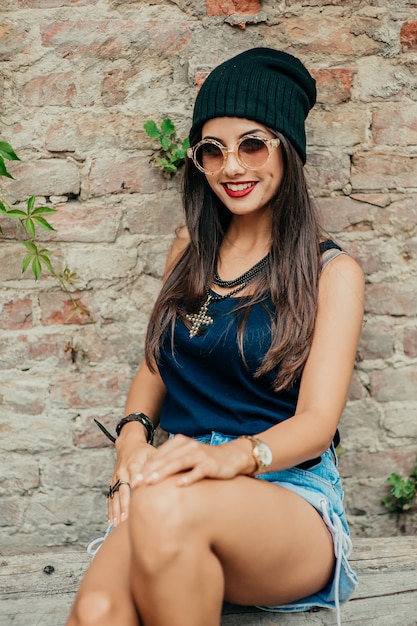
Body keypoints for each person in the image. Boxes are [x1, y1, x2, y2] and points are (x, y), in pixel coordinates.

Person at [66, 47, 364, 626]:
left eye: (253, 144)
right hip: (171, 484)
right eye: (213, 149)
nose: (233, 166)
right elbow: (157, 367)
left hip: (285, 494)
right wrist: (131, 445)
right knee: (98, 612)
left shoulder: (332, 273)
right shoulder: (190, 249)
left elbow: (315, 425)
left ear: (288, 150)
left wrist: (225, 458)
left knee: (166, 506)